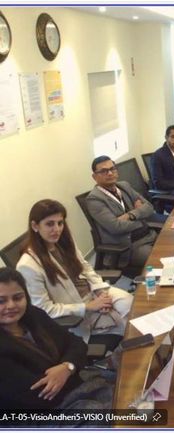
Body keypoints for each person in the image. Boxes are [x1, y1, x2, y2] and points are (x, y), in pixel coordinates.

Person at [16, 200, 133, 351]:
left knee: (133, 306)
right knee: (130, 328)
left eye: (60, 223)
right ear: (35, 226)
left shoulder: (63, 242)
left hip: (93, 292)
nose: (57, 229)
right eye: (49, 224)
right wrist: (88, 307)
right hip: (76, 310)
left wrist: (100, 291)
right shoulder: (28, 265)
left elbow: (86, 268)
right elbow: (44, 309)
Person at [0, 268, 114, 411]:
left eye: (17, 298)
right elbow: (40, 394)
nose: (11, 305)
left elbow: (76, 342)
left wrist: (67, 367)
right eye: (1, 301)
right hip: (42, 410)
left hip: (77, 384)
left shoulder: (34, 315)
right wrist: (72, 366)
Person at [85, 156, 161, 272]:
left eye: (112, 169)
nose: (110, 173)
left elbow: (149, 207)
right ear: (94, 176)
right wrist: (141, 218)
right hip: (130, 246)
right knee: (160, 260)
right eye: (104, 171)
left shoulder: (124, 186)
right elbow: (116, 227)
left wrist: (130, 215)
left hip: (150, 234)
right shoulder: (94, 199)